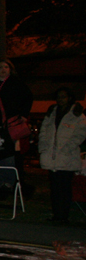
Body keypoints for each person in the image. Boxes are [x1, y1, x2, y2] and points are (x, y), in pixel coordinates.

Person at [0, 58, 33, 190]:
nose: (3, 70)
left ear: (10, 69)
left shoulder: (16, 83)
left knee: (8, 153)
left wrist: (24, 115)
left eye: (6, 67)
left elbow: (28, 97)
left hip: (8, 125)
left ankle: (9, 180)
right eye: (1, 67)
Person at [38, 87, 86, 223]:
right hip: (52, 157)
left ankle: (63, 216)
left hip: (67, 158)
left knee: (64, 188)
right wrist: (43, 146)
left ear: (69, 98)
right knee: (54, 188)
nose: (61, 99)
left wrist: (67, 148)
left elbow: (80, 134)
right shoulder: (52, 112)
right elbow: (43, 130)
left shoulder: (77, 114)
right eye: (59, 97)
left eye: (63, 97)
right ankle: (57, 215)